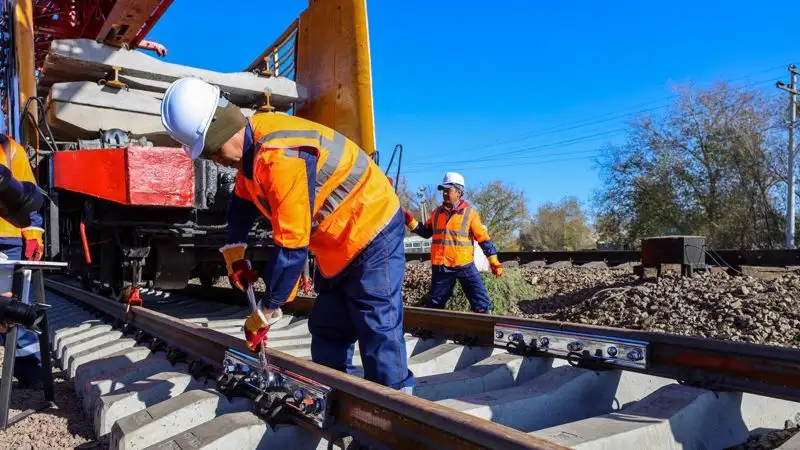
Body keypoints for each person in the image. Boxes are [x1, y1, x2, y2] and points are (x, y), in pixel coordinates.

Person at [159, 77, 415, 392]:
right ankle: (336, 395)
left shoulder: (280, 156)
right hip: (337, 242)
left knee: (377, 326)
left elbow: (292, 248)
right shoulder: (251, 149)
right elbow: (241, 203)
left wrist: (267, 310)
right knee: (329, 326)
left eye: (213, 150)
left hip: (372, 228)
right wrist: (234, 251)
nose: (216, 161)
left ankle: (398, 406)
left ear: (225, 130)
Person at [404, 172, 502, 313]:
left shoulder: (470, 213)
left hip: (464, 265)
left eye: (448, 190)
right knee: (435, 304)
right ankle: (432, 325)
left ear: (459, 192)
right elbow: (425, 232)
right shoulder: (436, 213)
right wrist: (409, 221)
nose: (444, 194)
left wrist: (494, 261)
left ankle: (485, 324)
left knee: (481, 303)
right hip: (441, 266)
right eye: (443, 190)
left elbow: (483, 239)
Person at [0, 133, 45, 388]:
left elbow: (29, 196)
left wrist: (33, 235)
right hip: (8, 240)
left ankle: (30, 371)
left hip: (8, 239)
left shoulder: (9, 149)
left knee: (14, 309)